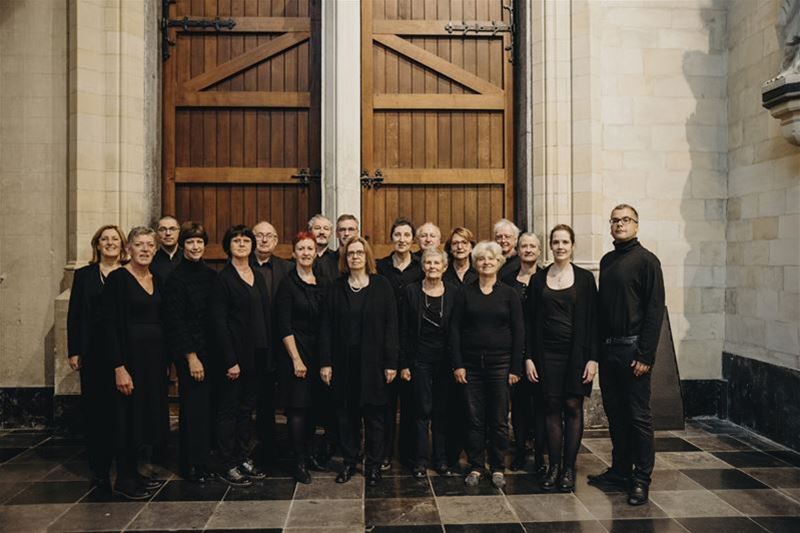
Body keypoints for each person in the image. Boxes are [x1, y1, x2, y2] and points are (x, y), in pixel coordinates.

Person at [588, 204, 665, 506]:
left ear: (636, 225)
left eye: (625, 220)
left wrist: (645, 355)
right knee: (616, 415)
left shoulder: (647, 261)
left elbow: (654, 311)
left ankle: (641, 478)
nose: (620, 224)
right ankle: (620, 470)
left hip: (634, 351)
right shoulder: (607, 260)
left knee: (638, 418)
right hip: (609, 351)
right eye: (615, 220)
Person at [319, 236, 399, 486]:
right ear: (345, 258)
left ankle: (373, 465)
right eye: (351, 253)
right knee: (346, 416)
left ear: (367, 257)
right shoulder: (336, 287)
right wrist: (325, 362)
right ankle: (350, 462)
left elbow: (391, 327)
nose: (355, 257)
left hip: (374, 364)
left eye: (359, 253)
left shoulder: (382, 285)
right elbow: (326, 328)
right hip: (344, 363)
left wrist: (391, 363)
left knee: (375, 417)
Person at [526, 225, 598, 492]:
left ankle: (569, 468)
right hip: (546, 354)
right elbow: (530, 322)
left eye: (565, 242)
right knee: (551, 407)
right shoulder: (538, 279)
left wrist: (592, 359)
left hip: (576, 354)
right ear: (550, 246)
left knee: (572, 406)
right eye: (555, 242)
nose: (560, 246)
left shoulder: (585, 279)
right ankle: (553, 466)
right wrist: (529, 358)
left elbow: (593, 322)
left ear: (573, 245)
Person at [451, 241, 524, 489]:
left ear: (498, 262)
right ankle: (475, 465)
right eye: (481, 259)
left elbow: (519, 332)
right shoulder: (465, 293)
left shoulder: (509, 294)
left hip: (501, 365)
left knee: (499, 419)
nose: (486, 263)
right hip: (471, 366)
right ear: (476, 263)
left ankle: (498, 467)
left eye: (491, 259)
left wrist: (515, 367)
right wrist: (458, 364)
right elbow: (455, 330)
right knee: (474, 419)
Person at [103, 227, 169, 500]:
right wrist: (119, 367)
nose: (145, 249)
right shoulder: (118, 279)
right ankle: (124, 478)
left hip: (153, 360)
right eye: (139, 244)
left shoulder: (158, 278)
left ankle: (136, 471)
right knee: (126, 417)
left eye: (149, 245)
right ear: (128, 249)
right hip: (129, 359)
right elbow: (109, 326)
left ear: (155, 249)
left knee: (144, 417)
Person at [210, 225, 271, 487]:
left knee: (247, 410)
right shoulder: (223, 279)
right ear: (228, 246)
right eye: (236, 240)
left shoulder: (256, 275)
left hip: (256, 355)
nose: (242, 244)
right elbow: (219, 323)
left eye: (246, 240)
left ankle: (243, 456)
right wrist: (230, 360)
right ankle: (227, 464)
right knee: (229, 412)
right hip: (234, 359)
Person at [67, 224, 127, 493]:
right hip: (93, 353)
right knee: (96, 412)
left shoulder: (129, 273)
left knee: (122, 412)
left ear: (122, 244)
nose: (110, 243)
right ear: (97, 245)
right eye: (105, 239)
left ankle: (126, 466)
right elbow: (75, 314)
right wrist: (74, 350)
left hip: (124, 353)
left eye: (115, 239)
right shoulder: (84, 275)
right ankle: (100, 469)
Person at [162, 222, 216, 483]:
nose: (195, 247)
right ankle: (191, 464)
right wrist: (191, 357)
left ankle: (205, 460)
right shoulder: (175, 278)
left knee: (208, 410)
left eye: (200, 242)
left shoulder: (211, 275)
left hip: (212, 352)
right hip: (191, 355)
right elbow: (176, 322)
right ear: (183, 245)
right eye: (191, 242)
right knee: (193, 410)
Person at [275, 231, 329, 484]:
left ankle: (308, 455)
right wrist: (296, 359)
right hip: (295, 352)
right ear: (294, 253)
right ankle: (298, 461)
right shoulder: (287, 284)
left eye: (310, 248)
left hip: (319, 352)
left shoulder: (323, 281)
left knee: (314, 407)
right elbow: (283, 325)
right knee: (297, 408)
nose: (306, 253)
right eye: (302, 249)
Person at [401, 248, 458, 478]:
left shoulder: (454, 292)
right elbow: (403, 330)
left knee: (442, 411)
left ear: (445, 267)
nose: (432, 266)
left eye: (437, 263)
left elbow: (458, 330)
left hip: (445, 361)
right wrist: (404, 364)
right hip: (419, 360)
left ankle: (441, 459)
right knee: (421, 410)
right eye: (428, 263)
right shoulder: (411, 291)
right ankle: (420, 461)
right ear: (422, 266)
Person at [376, 217, 422, 471]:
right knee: (385, 403)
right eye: (398, 235)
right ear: (392, 238)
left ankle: (408, 454)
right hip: (387, 339)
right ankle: (384, 453)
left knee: (411, 405)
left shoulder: (420, 266)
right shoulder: (381, 267)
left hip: (414, 341)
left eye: (407, 235)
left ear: (412, 240)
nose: (402, 240)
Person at [502, 232, 547, 475]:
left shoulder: (547, 277)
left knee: (540, 405)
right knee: (518, 406)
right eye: (524, 246)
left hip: (542, 351)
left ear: (539, 251)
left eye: (533, 246)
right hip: (514, 351)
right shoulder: (507, 279)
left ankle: (540, 455)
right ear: (517, 251)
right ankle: (519, 451)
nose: (528, 250)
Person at [251, 220, 292, 463]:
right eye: (259, 235)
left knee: (284, 396)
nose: (264, 240)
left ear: (276, 241)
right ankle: (257, 446)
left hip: (282, 342)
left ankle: (284, 444)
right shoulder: (242, 267)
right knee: (257, 397)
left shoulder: (287, 268)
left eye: (269, 236)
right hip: (254, 343)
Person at [151, 215, 182, 280]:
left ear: (179, 231)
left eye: (172, 229)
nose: (168, 233)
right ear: (156, 233)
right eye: (162, 229)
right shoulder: (151, 259)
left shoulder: (187, 257)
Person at [308, 214, 338, 280]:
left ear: (331, 233)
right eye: (317, 228)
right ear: (310, 231)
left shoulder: (337, 258)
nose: (322, 232)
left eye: (326, 229)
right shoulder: (303, 257)